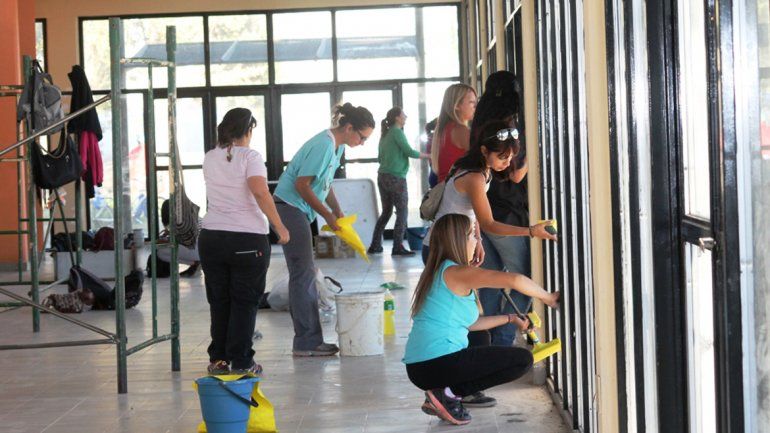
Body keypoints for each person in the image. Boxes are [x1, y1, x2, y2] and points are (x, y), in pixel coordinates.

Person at [420, 119, 557, 407]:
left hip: (454, 245)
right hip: (442, 249)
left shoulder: (478, 169)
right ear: (484, 150)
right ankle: (445, 388)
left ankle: (454, 389)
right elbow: (489, 222)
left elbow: (468, 215)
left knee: (471, 323)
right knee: (463, 324)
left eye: (510, 157)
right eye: (502, 157)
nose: (507, 163)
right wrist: (531, 231)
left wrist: (478, 240)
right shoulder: (475, 176)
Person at [403, 214, 560, 425]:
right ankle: (449, 393)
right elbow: (514, 279)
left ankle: (443, 392)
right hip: (434, 365)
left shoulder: (441, 270)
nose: (478, 242)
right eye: (473, 236)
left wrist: (511, 318)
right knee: (522, 360)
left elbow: (470, 325)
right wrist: (549, 298)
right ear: (458, 241)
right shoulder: (457, 272)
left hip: (421, 367)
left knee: (479, 337)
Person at [274, 102, 375, 357]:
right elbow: (302, 185)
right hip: (289, 207)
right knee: (303, 274)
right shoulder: (323, 144)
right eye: (361, 137)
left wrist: (337, 211)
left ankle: (308, 340)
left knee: (305, 273)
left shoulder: (336, 147)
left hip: (299, 209)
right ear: (349, 127)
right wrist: (327, 215)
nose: (362, 143)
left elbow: (324, 184)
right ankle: (306, 342)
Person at [199, 108, 290, 376]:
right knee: (244, 301)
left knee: (220, 300)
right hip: (246, 239)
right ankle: (241, 360)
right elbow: (261, 192)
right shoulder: (250, 156)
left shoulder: (210, 157)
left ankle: (219, 359)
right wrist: (280, 226)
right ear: (248, 130)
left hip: (212, 237)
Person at [471, 71, 532, 347]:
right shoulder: (509, 125)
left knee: (490, 281)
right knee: (526, 279)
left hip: (484, 211)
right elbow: (516, 174)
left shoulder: (480, 123)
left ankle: (493, 343)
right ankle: (504, 338)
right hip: (506, 214)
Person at [368, 107, 429, 257]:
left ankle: (375, 245)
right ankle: (397, 247)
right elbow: (409, 151)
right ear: (397, 117)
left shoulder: (386, 134)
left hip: (382, 176)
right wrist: (429, 155)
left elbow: (380, 158)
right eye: (404, 114)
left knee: (387, 212)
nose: (406, 116)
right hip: (396, 177)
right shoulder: (397, 132)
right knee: (402, 212)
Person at [430, 84, 477, 183]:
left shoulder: (444, 128)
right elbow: (484, 160)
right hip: (457, 193)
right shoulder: (460, 130)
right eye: (471, 102)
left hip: (447, 191)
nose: (475, 107)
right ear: (457, 106)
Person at [156, 199, 200, 277]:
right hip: (208, 249)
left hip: (199, 250)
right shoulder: (192, 216)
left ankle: (196, 262)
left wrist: (162, 240)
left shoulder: (178, 221)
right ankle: (196, 263)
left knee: (160, 252)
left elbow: (176, 241)